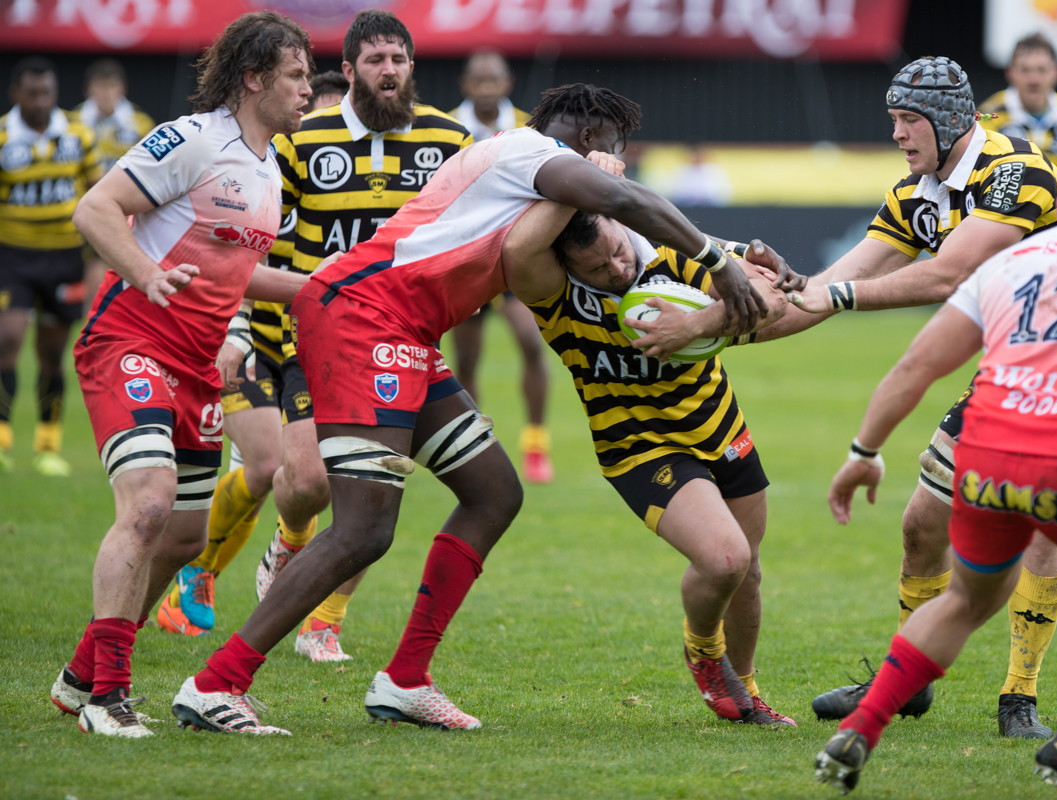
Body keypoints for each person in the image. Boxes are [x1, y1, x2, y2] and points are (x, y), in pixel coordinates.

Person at [170, 82, 791, 735]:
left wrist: (739, 253)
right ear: (583, 143)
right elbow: (622, 200)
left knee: (493, 492)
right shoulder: (530, 153)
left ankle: (406, 679)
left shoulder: (528, 179)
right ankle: (217, 684)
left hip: (404, 332)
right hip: (366, 320)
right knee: (363, 530)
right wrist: (716, 262)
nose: (614, 164)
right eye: (611, 151)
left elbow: (610, 220)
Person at [813, 143, 1057, 800]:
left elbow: (917, 365)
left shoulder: (1010, 261)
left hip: (985, 454)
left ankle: (862, 727)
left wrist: (862, 452)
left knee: (965, 599)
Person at [158, 12, 473, 664]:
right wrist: (235, 323)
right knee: (291, 477)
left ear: (413, 66)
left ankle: (322, 619)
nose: (390, 70)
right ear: (351, 69)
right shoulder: (302, 140)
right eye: (377, 59)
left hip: (391, 340)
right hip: (292, 332)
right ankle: (223, 561)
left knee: (370, 483)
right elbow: (250, 232)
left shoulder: (449, 140)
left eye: (399, 58)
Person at [775, 56, 1057, 737]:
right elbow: (826, 285)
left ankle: (1019, 699)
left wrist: (832, 295)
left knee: (1041, 524)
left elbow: (948, 274)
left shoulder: (1014, 170)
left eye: (909, 120)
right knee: (921, 526)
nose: (897, 134)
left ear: (948, 120)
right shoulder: (915, 193)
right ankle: (909, 682)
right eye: (894, 119)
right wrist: (714, 325)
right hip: (1002, 368)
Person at [47, 10, 317, 738]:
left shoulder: (269, 169)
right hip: (129, 339)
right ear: (252, 77)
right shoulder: (193, 139)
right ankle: (108, 697)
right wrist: (146, 275)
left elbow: (236, 271)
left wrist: (323, 289)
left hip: (198, 365)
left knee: (185, 538)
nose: (307, 89)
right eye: (295, 75)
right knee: (149, 505)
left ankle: (81, 673)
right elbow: (95, 209)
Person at [503, 203, 797, 724]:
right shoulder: (554, 292)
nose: (617, 269)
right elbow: (516, 247)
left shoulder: (676, 253)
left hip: (720, 427)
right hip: (638, 447)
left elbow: (772, 299)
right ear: (567, 265)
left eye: (618, 251)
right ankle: (703, 651)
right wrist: (576, 181)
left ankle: (747, 693)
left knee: (747, 572)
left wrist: (693, 325)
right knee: (725, 560)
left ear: (621, 225)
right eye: (597, 267)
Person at [154, 68, 351, 641]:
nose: (324, 130)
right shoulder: (259, 173)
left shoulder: (351, 191)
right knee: (264, 467)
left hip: (311, 347)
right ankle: (198, 572)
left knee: (309, 478)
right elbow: (228, 260)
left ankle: (282, 549)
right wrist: (234, 331)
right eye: (317, 116)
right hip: (252, 339)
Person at [449, 49, 555, 484]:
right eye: (479, 81)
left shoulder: (530, 128)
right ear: (466, 85)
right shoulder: (448, 128)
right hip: (466, 260)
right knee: (466, 359)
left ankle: (536, 445)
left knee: (531, 343)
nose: (487, 88)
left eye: (493, 80)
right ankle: (474, 448)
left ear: (507, 82)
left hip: (514, 257)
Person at [0, 57, 101, 477]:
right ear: (15, 94)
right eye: (32, 93)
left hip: (65, 258)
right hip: (13, 257)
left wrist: (98, 254)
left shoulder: (78, 134)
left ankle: (48, 445)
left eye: (47, 93)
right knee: (7, 339)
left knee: (52, 353)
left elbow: (97, 192)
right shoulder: (3, 136)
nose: (40, 101)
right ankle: (3, 438)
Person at [72, 58, 156, 307]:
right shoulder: (73, 122)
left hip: (124, 210)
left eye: (111, 87)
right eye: (100, 87)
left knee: (107, 265)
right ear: (89, 89)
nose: (106, 94)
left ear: (122, 89)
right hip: (80, 207)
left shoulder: (141, 124)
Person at [977, 33, 1057, 173]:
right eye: (1025, 70)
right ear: (1010, 72)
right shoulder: (987, 115)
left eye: (1042, 70)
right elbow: (979, 171)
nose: (1034, 79)